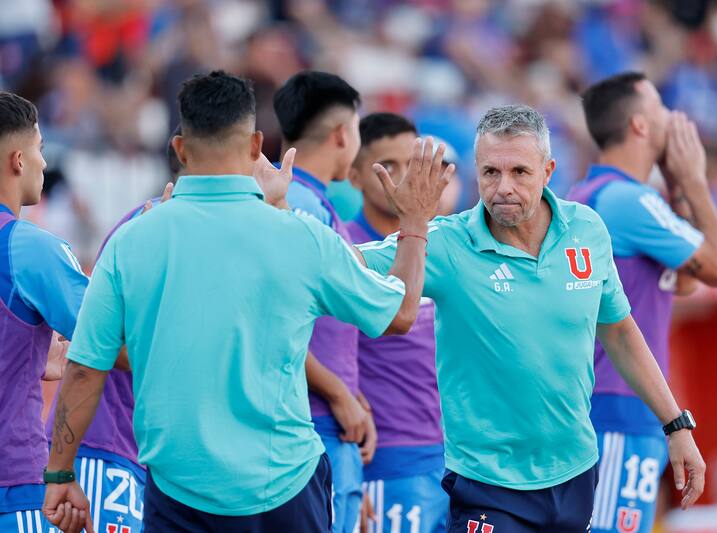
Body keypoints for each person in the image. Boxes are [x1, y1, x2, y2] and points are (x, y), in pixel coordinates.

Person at [41, 70, 451, 533]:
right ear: (257, 145)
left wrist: (60, 473)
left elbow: (84, 367)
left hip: (180, 492)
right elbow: (400, 314)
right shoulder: (300, 235)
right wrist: (415, 222)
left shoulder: (132, 240)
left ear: (179, 149)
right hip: (286, 488)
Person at [356, 104, 706, 532]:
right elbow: (346, 260)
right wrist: (279, 216)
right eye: (490, 173)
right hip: (488, 485)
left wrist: (676, 426)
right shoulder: (447, 243)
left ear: (548, 170)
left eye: (519, 172)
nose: (503, 187)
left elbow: (619, 332)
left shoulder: (587, 230)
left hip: (576, 475)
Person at [568, 72, 717, 533]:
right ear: (640, 125)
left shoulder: (589, 194)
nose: (675, 120)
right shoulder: (630, 200)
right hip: (621, 403)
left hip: (600, 401)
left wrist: (677, 193)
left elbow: (682, 283)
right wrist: (696, 182)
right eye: (662, 108)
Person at [41, 129, 180, 533]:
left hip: (138, 458)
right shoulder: (148, 231)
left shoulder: (182, 233)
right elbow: (96, 348)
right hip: (103, 451)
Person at [273, 69, 371, 533]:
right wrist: (338, 394)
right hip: (311, 422)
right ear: (342, 132)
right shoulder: (299, 206)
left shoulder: (304, 198)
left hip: (320, 418)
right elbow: (274, 320)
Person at [347, 113, 451, 533]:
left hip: (456, 461)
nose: (402, 177)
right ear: (354, 176)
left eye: (410, 163)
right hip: (387, 461)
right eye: (386, 166)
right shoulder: (346, 250)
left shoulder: (445, 243)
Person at [0, 91, 89, 533]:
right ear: (18, 159)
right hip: (13, 486)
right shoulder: (31, 247)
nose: (44, 163)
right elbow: (113, 339)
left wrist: (26, 361)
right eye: (40, 149)